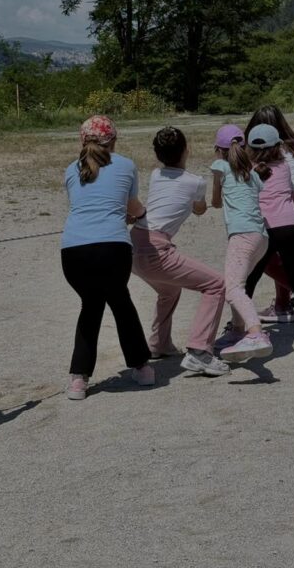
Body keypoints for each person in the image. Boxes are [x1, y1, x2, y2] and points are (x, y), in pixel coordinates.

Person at [61, 115, 154, 399]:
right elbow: (133, 206)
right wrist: (140, 215)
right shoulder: (126, 165)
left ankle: (79, 379)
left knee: (90, 306)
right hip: (113, 247)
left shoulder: (71, 169)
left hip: (73, 251)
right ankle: (141, 367)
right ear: (113, 140)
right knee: (121, 303)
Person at [130, 126, 229, 377]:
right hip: (156, 250)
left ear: (157, 154)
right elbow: (199, 209)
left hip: (133, 246)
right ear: (187, 150)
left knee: (169, 290)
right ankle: (199, 350)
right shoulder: (196, 182)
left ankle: (159, 344)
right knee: (216, 284)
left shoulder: (156, 174)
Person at [243, 124, 294, 338]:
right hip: (289, 224)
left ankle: (240, 323)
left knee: (251, 276)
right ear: (277, 146)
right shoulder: (284, 166)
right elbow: (291, 193)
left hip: (263, 226)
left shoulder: (248, 169)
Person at [209, 125, 273, 363]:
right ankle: (237, 331)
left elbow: (216, 202)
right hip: (261, 237)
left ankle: (255, 332)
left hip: (242, 235)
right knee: (239, 285)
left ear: (219, 150)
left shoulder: (220, 167)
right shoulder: (253, 175)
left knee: (233, 288)